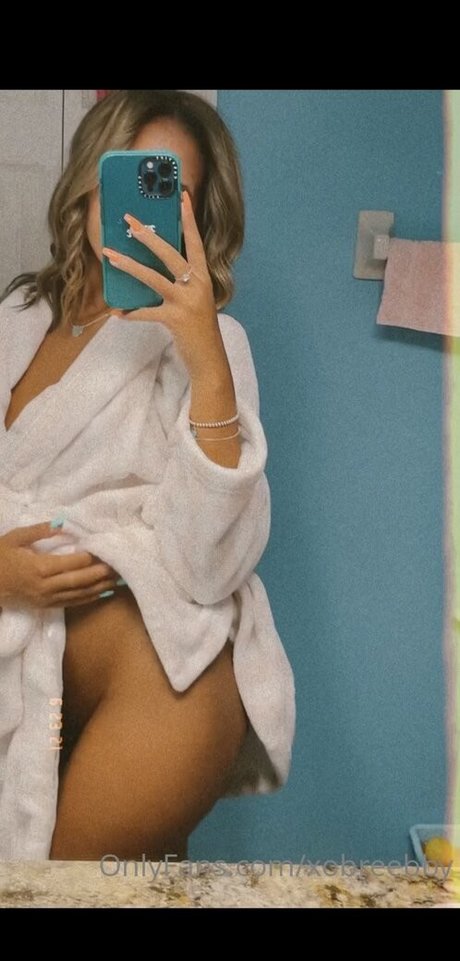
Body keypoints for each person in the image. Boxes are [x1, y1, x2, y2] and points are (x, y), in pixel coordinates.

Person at [0, 90, 295, 861]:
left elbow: (205, 568)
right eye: (126, 176)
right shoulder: (17, 317)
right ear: (88, 183)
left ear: (197, 217)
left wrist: (202, 352)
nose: (138, 210)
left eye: (170, 190)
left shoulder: (213, 345)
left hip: (139, 677)